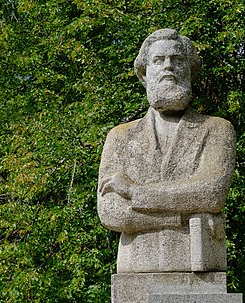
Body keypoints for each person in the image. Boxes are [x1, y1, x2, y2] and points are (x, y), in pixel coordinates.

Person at [98, 28, 236, 273]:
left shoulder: (217, 130)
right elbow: (111, 212)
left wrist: (133, 191)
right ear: (144, 74)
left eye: (177, 60)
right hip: (136, 266)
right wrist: (179, 217)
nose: (168, 67)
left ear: (190, 71)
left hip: (199, 265)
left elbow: (211, 193)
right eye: (158, 60)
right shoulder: (120, 137)